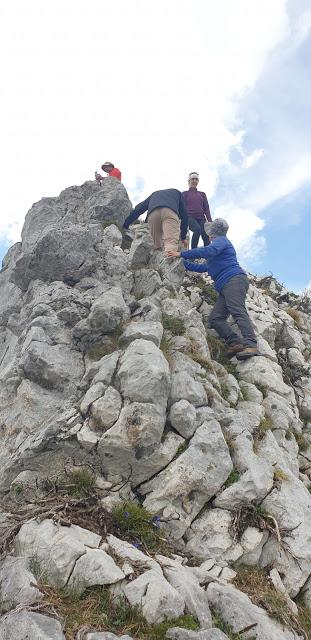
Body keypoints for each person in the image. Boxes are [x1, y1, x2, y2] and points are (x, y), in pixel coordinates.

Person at [167, 218, 258, 360]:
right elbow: (202, 267)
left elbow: (208, 251)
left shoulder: (221, 241)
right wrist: (181, 262)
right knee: (215, 318)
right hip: (225, 286)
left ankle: (251, 344)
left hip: (234, 279)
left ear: (213, 234)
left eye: (209, 232)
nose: (208, 235)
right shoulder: (215, 254)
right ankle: (235, 342)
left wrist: (182, 253)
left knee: (237, 310)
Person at [123, 188, 188, 253]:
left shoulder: (155, 194)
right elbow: (185, 215)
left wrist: (126, 224)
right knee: (170, 243)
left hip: (153, 214)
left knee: (157, 246)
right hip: (169, 212)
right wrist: (183, 237)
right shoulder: (177, 193)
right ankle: (169, 259)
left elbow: (139, 209)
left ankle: (156, 258)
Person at [182, 172, 212, 249]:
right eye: (192, 179)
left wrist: (210, 222)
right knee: (197, 230)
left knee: (206, 235)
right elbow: (181, 207)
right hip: (189, 217)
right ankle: (193, 252)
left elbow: (206, 208)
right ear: (189, 181)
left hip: (201, 218)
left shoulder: (202, 194)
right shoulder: (184, 194)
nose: (194, 181)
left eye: (196, 179)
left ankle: (209, 256)